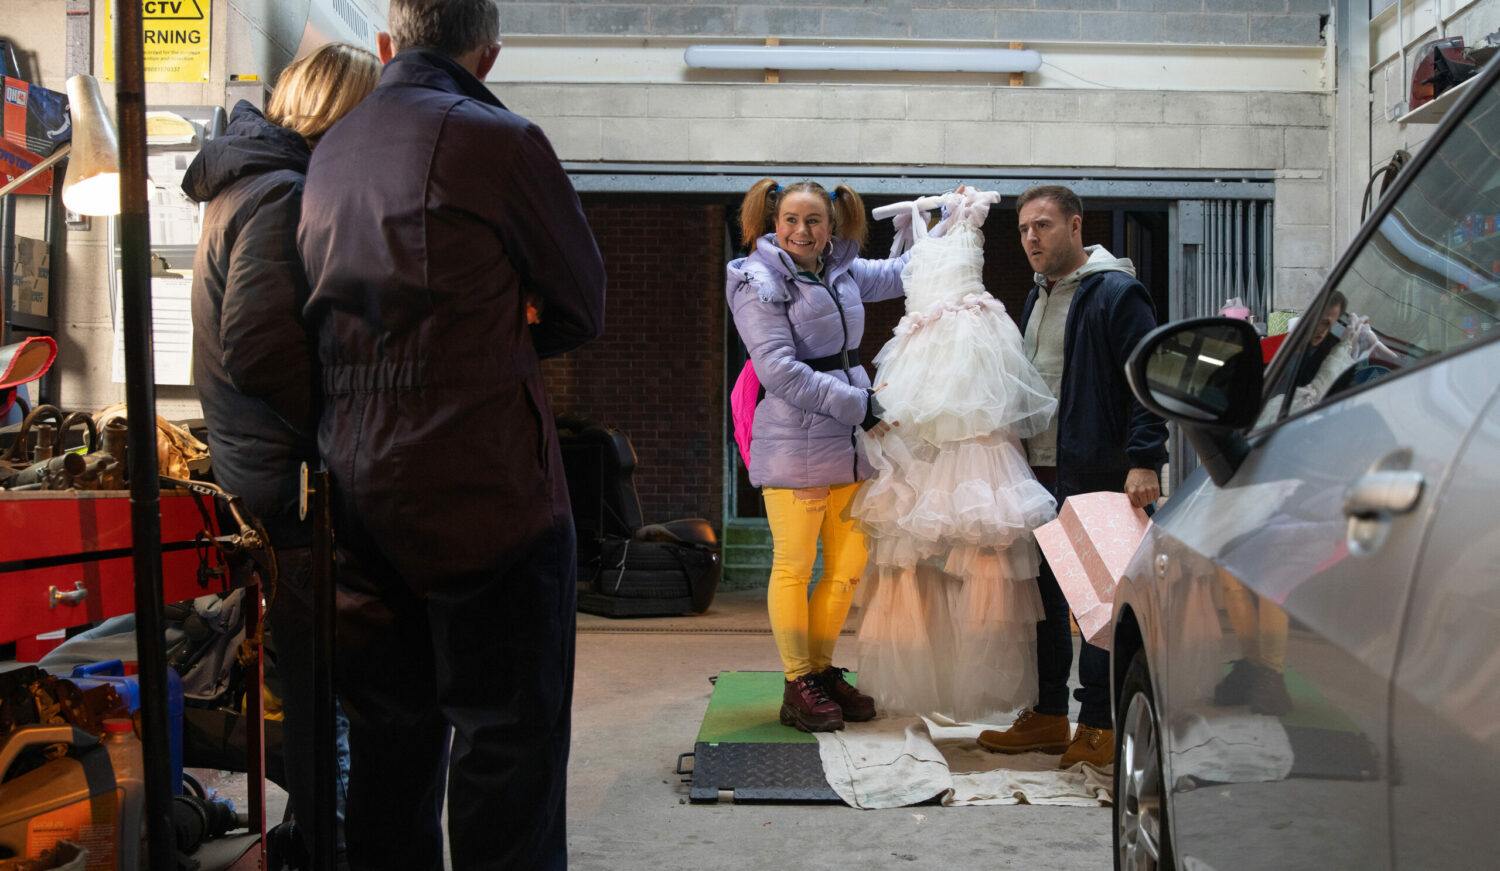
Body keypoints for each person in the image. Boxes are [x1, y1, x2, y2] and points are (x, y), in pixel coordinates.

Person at [296, 0, 607, 867]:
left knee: (390, 750)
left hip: (357, 487)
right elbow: (582, 303)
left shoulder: (329, 154)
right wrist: (497, 340)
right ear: (490, 55)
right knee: (509, 748)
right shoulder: (500, 143)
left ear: (389, 44)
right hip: (485, 487)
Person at [182, 41, 380, 868]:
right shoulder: (279, 193)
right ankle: (323, 843)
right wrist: (343, 431)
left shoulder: (252, 182)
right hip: (289, 474)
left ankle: (316, 833)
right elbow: (262, 347)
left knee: (312, 672)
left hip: (265, 462)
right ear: (339, 112)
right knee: (322, 676)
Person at [850, 188, 1058, 724]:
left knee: (980, 524)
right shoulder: (912, 230)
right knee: (915, 530)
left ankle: (979, 682)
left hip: (967, 354)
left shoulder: (969, 213)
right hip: (918, 355)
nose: (1031, 237)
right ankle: (932, 675)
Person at [977, 184, 1167, 769]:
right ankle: (1049, 714)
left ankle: (1100, 724)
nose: (1032, 238)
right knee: (1047, 599)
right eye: (1025, 229)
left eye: (1044, 226)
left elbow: (1148, 378)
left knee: (1100, 604)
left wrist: (1145, 457)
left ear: (1076, 226)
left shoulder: (1116, 291)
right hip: (1038, 471)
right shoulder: (1038, 297)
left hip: (1099, 468)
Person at [726, 178, 906, 733]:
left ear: (831, 227)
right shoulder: (756, 282)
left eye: (815, 221)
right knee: (795, 566)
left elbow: (904, 273)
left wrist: (950, 221)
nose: (803, 231)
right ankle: (797, 680)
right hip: (796, 442)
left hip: (849, 446)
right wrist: (862, 406)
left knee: (848, 569)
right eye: (792, 221)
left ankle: (823, 671)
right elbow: (779, 370)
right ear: (774, 223)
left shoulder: (842, 270)